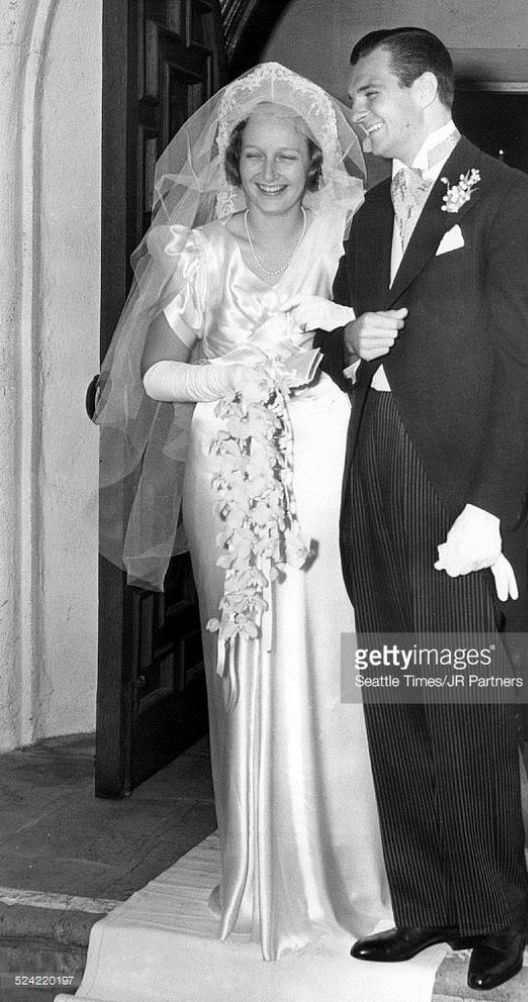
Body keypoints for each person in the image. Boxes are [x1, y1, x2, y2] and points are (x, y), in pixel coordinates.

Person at [94, 62, 390, 960]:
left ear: (314, 163)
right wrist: (230, 378)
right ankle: (267, 867)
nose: (269, 173)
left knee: (333, 642)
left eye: (287, 157)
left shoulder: (346, 232)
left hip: (327, 460)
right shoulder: (202, 251)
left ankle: (355, 862)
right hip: (226, 466)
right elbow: (151, 374)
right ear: (232, 164)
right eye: (254, 156)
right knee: (247, 653)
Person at [316, 27, 528, 993]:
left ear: (425, 91)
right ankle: (423, 902)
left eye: (369, 94)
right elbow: (339, 332)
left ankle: (495, 913)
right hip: (374, 466)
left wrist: (490, 508)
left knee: (463, 701)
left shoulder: (509, 199)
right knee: (396, 692)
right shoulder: (374, 208)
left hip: (455, 482)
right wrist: (352, 343)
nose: (357, 113)